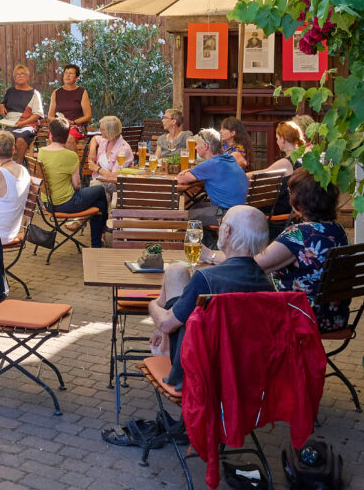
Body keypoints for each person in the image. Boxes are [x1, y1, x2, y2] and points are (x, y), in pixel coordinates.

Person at [200, 169, 347, 331]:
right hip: (334, 316)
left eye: (291, 192)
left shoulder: (299, 235)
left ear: (300, 201)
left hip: (300, 316)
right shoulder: (337, 230)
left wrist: (211, 255)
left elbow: (248, 265)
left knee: (229, 302)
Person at [147, 205, 275, 387]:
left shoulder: (205, 279)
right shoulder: (268, 285)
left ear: (227, 231)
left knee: (169, 313)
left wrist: (153, 305)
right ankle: (166, 345)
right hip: (246, 371)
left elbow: (167, 324)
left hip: (198, 370)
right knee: (177, 271)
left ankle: (166, 351)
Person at [40, 119, 108, 247]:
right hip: (65, 203)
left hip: (47, 203)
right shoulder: (70, 156)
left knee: (98, 204)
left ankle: (97, 242)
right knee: (99, 191)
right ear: (67, 136)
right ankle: (97, 241)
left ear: (50, 134)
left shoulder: (41, 152)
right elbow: (77, 185)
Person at [178, 128, 248, 226]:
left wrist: (186, 172)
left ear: (206, 146)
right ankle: (206, 240)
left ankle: (206, 241)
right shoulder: (228, 157)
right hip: (239, 210)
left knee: (183, 217)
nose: (195, 148)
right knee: (195, 207)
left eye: (197, 144)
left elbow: (181, 179)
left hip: (224, 213)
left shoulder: (211, 164)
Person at [253, 120, 306, 215]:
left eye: (277, 138)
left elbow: (257, 175)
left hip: (280, 209)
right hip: (296, 206)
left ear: (283, 139)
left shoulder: (286, 163)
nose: (277, 142)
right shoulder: (305, 158)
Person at [0, 64, 44, 164]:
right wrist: (1, 105)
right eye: (17, 74)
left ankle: (19, 163)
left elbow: (37, 114)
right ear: (14, 78)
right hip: (10, 122)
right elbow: (3, 103)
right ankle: (6, 165)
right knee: (3, 138)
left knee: (21, 139)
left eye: (22, 73)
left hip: (27, 123)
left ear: (28, 76)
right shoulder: (10, 91)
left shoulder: (35, 93)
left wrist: (23, 123)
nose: (20, 76)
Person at [86, 115, 134, 200]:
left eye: (103, 130)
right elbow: (95, 138)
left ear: (111, 131)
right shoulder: (105, 141)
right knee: (101, 193)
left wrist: (96, 168)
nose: (100, 131)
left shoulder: (123, 149)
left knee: (95, 186)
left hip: (117, 184)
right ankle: (104, 210)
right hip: (101, 181)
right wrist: (92, 150)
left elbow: (114, 176)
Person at [46, 64, 91, 151]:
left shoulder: (82, 92)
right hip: (60, 125)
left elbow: (88, 116)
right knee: (53, 138)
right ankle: (55, 164)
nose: (67, 75)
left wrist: (72, 122)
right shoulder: (56, 93)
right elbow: (50, 116)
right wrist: (61, 122)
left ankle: (72, 164)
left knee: (69, 138)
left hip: (76, 126)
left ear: (77, 78)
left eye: (71, 73)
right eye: (66, 73)